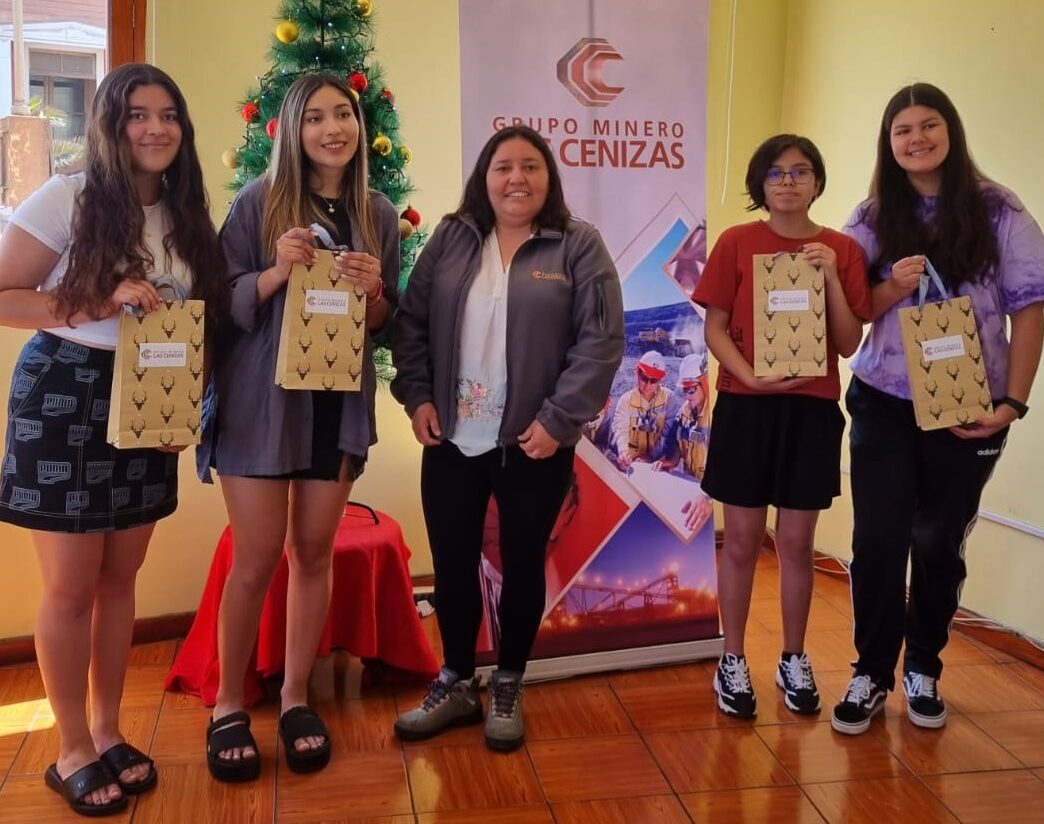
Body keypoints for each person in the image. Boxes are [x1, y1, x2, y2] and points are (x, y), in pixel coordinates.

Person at [0, 63, 225, 816]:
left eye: (169, 115)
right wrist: (98, 298)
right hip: (65, 392)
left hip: (150, 392)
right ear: (109, 124)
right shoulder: (68, 197)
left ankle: (106, 730)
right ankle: (69, 748)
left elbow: (195, 320)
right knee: (70, 587)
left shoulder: (186, 212)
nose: (156, 128)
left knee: (119, 583)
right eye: (137, 114)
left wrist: (182, 406)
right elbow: (4, 295)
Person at [390, 124, 624, 751]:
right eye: (503, 167)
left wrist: (558, 421)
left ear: (548, 177)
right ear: (484, 178)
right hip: (451, 439)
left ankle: (509, 682)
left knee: (522, 565)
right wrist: (417, 396)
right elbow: (411, 323)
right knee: (452, 565)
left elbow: (600, 342)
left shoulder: (577, 245)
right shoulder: (452, 237)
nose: (516, 178)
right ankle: (456, 681)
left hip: (533, 441)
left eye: (530, 166)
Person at [199, 73, 399, 780]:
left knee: (313, 554)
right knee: (256, 557)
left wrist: (375, 290)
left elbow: (383, 322)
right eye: (314, 117)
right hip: (261, 406)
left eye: (342, 114)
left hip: (333, 408)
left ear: (359, 126)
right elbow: (219, 301)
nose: (331, 129)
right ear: (291, 130)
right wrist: (275, 273)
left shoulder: (377, 211)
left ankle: (293, 698)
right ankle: (228, 704)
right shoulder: (258, 202)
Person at [831, 83, 1044, 735]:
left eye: (928, 125)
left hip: (968, 406)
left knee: (938, 540)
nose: (916, 138)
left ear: (950, 130)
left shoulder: (998, 209)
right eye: (903, 130)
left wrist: (1013, 401)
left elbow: (1030, 306)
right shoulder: (871, 217)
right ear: (888, 143)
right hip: (884, 401)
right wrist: (889, 286)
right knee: (878, 539)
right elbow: (849, 312)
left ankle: (923, 666)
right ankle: (871, 671)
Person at [693, 134, 870, 719]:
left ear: (817, 181)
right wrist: (749, 375)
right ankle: (732, 658)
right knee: (742, 541)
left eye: (800, 171)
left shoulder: (841, 249)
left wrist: (832, 279)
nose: (788, 181)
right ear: (760, 185)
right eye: (775, 173)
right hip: (746, 405)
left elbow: (847, 342)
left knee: (795, 543)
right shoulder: (736, 242)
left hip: (812, 410)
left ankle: (793, 657)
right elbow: (715, 327)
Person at [611, 350, 678, 470]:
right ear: (637, 373)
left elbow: (668, 435)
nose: (648, 385)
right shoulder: (625, 401)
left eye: (653, 381)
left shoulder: (669, 400)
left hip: (658, 467)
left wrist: (650, 457)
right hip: (631, 466)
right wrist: (623, 453)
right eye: (644, 379)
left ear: (660, 380)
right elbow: (620, 430)